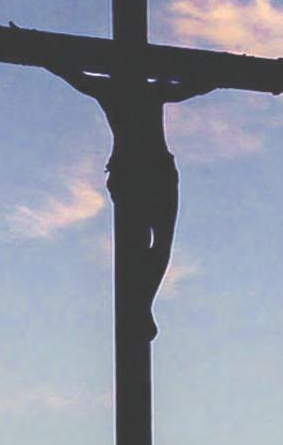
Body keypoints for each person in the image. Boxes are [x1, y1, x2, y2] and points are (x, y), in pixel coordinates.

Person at [49, 65, 210, 341]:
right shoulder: (132, 90)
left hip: (151, 171)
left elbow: (72, 74)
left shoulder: (122, 89)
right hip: (138, 172)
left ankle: (143, 305)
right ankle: (141, 306)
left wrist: (221, 77)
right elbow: (72, 75)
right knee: (142, 244)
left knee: (159, 243)